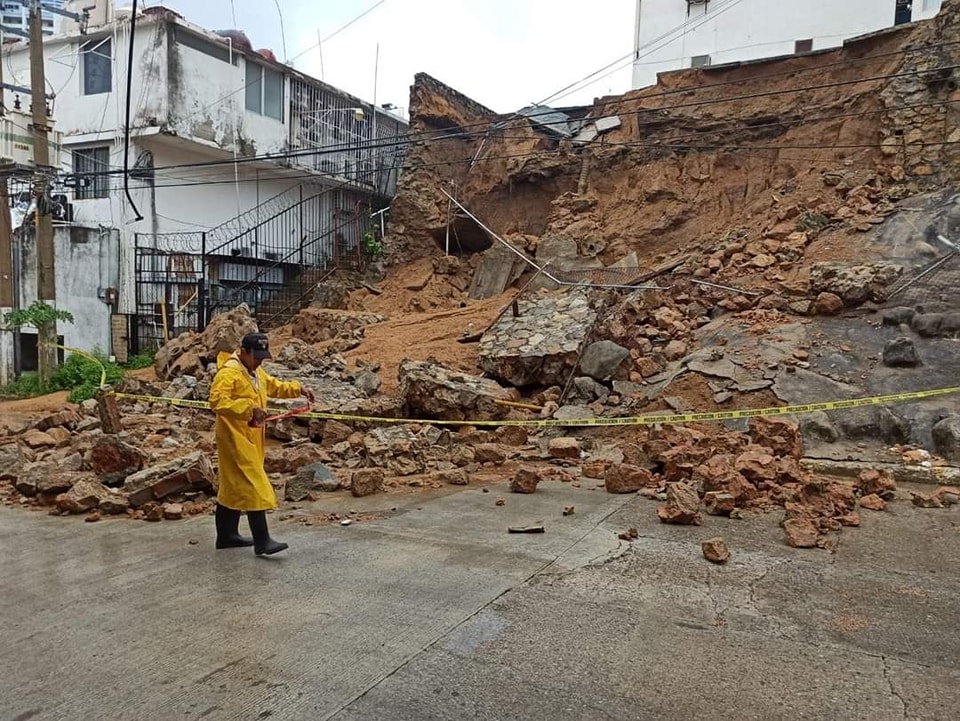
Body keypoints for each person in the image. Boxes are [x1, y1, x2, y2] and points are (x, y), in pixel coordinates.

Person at [209, 332, 314, 556]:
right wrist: (248, 409)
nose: (259, 361)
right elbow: (217, 401)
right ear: (244, 352)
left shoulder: (255, 372)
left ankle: (226, 536)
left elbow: (273, 385)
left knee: (232, 486)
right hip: (234, 438)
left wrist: (297, 388)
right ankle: (262, 541)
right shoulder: (228, 373)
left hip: (252, 436)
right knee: (254, 484)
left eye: (262, 357)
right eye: (256, 357)